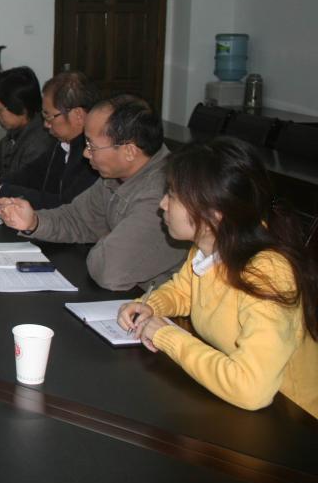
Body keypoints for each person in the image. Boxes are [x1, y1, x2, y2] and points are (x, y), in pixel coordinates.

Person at [118, 138, 317, 417]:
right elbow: (185, 291)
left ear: (215, 214)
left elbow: (252, 389)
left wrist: (166, 335)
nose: (162, 204)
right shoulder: (211, 246)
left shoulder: (267, 273)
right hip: (241, 407)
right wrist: (151, 305)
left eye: (172, 195)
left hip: (294, 419)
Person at [0, 94, 187, 290]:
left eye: (91, 146)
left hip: (156, 304)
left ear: (129, 151)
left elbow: (110, 270)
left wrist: (104, 240)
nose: (86, 153)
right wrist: (34, 222)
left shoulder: (164, 196)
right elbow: (77, 218)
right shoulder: (115, 177)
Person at [0, 70, 99, 209]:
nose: (46, 124)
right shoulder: (63, 143)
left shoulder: (93, 154)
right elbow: (31, 174)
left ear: (78, 115)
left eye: (49, 116)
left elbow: (66, 204)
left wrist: (2, 192)